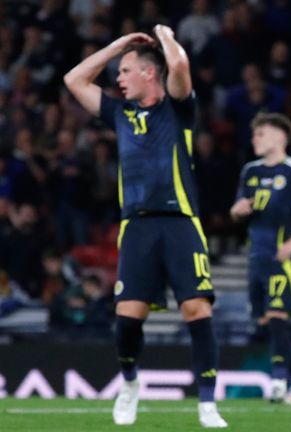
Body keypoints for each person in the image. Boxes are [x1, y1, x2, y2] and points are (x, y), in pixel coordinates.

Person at [63, 26, 227, 428]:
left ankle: (207, 403)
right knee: (127, 319)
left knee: (196, 308)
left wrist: (163, 36)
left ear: (149, 74)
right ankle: (130, 382)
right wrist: (119, 46)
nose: (118, 77)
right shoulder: (119, 113)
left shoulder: (178, 108)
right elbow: (73, 79)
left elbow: (180, 64)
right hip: (135, 226)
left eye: (125, 69)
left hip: (181, 223)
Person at [230, 113, 291, 403]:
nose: (254, 139)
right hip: (255, 258)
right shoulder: (250, 171)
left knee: (277, 318)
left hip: (280, 258)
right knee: (268, 324)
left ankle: (278, 383)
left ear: (279, 137)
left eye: (260, 134)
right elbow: (236, 211)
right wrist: (237, 210)